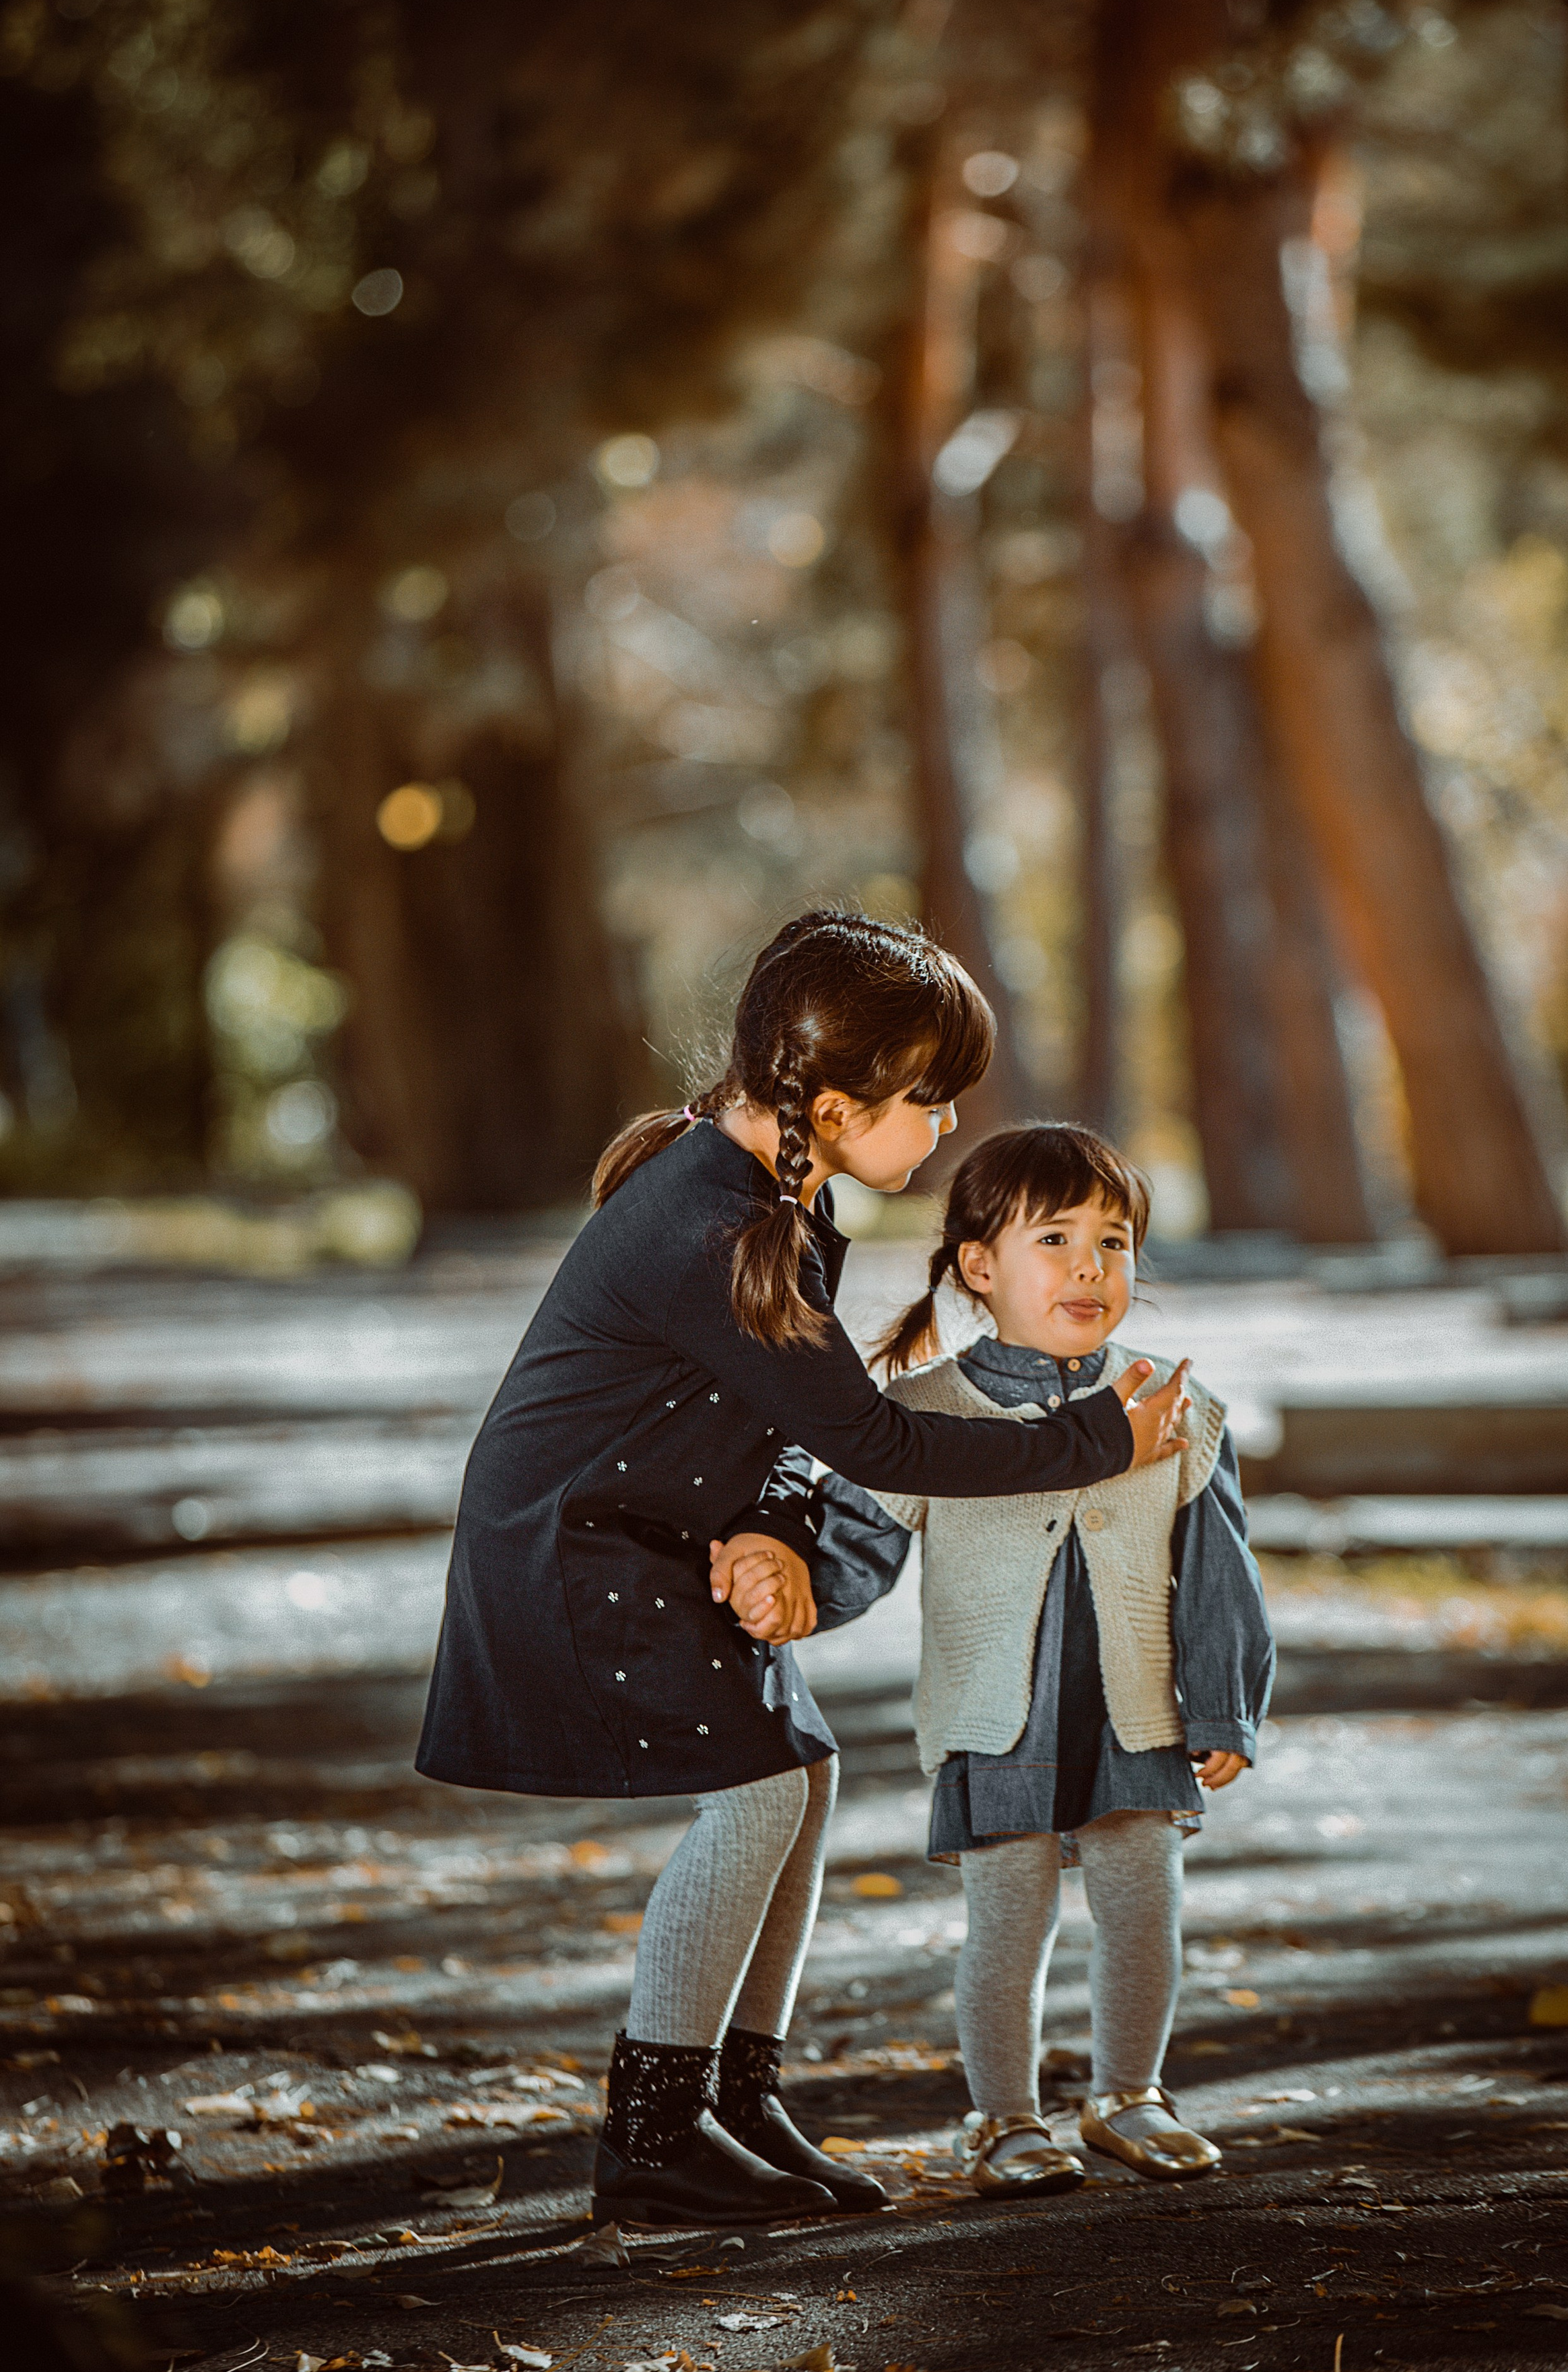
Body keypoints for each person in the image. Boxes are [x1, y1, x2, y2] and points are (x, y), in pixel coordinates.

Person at [414, 915, 1194, 2229]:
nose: (946, 1126)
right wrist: (1095, 1440)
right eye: (928, 1099)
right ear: (834, 1108)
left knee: (802, 1769)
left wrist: (777, 1529)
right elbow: (877, 1441)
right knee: (759, 1788)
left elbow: (786, 1424)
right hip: (574, 1548)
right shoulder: (713, 1226)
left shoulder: (780, 1195)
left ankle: (734, 2094)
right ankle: (653, 2137)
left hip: (647, 1529)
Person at [810, 1123, 1274, 2201]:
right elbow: (852, 1548)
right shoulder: (923, 1413)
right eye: (1055, 1239)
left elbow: (1220, 1568)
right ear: (980, 1266)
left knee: (1144, 1906)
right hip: (996, 1716)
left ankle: (1129, 2096)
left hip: (1134, 1712)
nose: (1089, 1267)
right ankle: (1003, 2118)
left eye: (1113, 1242)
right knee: (1009, 1922)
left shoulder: (1176, 1404)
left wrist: (1223, 1705)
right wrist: (781, 1587)